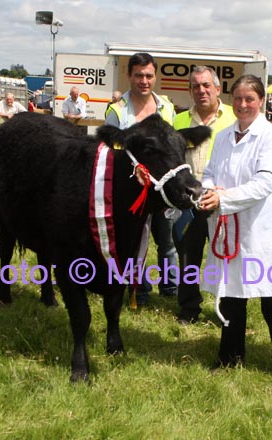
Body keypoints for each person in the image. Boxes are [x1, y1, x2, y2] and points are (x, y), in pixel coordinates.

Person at [200, 74, 272, 383]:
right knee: (231, 295)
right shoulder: (222, 136)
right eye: (239, 98)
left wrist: (223, 197)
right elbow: (209, 171)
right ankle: (230, 357)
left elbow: (263, 184)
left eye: (250, 99)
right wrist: (209, 190)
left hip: (260, 230)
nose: (243, 105)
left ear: (260, 101)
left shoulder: (270, 136)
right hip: (228, 227)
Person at [105, 52, 177, 304]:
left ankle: (170, 288)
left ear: (155, 76)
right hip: (131, 192)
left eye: (148, 75)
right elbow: (110, 152)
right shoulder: (116, 110)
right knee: (135, 241)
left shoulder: (167, 108)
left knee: (166, 242)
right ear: (129, 76)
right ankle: (141, 290)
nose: (144, 81)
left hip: (163, 191)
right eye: (138, 75)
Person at [172, 66, 236, 324]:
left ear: (218, 89)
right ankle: (189, 309)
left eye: (206, 85)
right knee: (188, 259)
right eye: (196, 86)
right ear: (190, 91)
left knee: (226, 260)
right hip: (188, 204)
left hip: (221, 202)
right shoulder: (178, 121)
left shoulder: (233, 118)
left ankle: (229, 310)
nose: (201, 90)